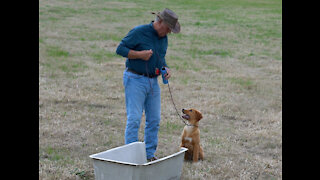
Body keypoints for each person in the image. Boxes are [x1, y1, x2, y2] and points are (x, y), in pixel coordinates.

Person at [115, 8, 181, 161]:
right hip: (135, 79)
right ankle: (130, 157)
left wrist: (166, 68)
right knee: (134, 119)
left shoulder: (163, 38)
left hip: (153, 82)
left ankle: (149, 155)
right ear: (160, 22)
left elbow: (160, 58)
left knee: (154, 120)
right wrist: (139, 55)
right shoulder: (139, 32)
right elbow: (120, 49)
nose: (169, 32)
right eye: (168, 29)